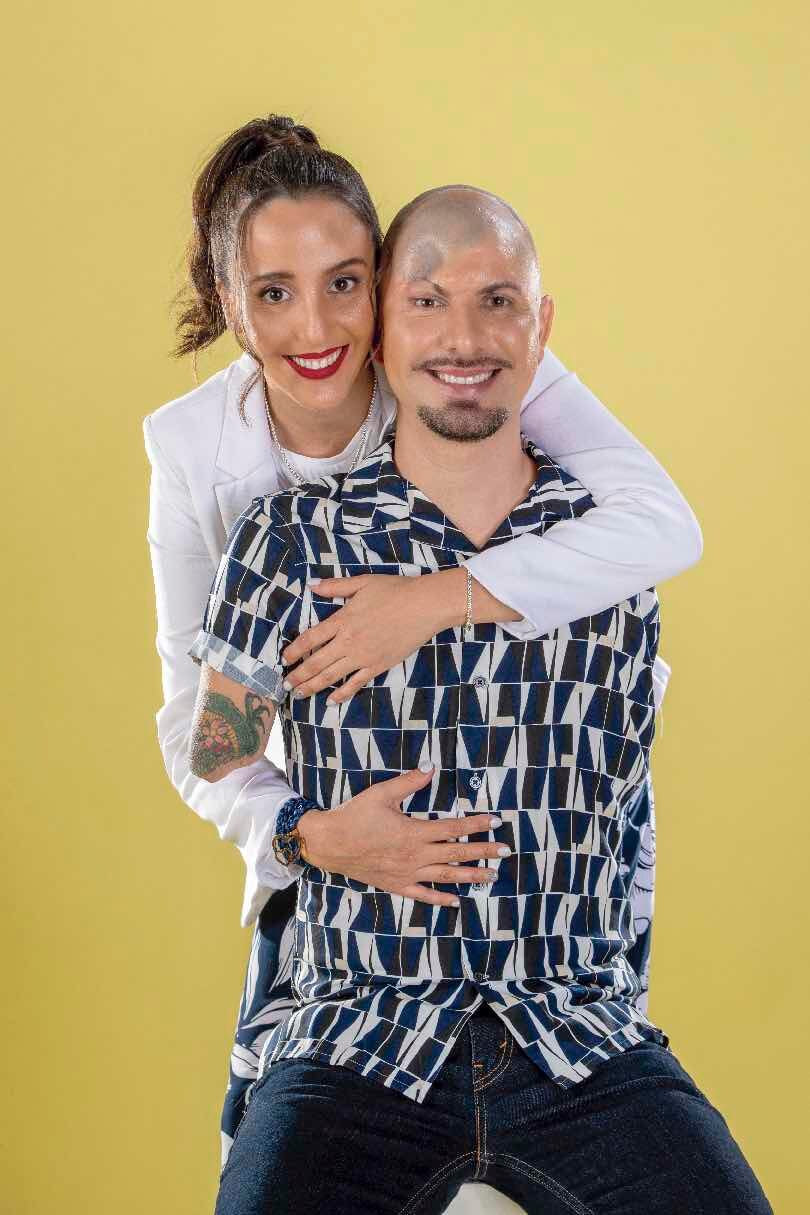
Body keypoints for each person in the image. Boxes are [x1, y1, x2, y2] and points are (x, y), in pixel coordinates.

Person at [187, 184, 771, 1215]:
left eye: (497, 301)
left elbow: (631, 815)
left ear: (540, 326)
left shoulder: (611, 557)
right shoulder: (289, 542)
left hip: (579, 1043)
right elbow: (217, 751)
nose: (464, 337)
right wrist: (309, 834)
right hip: (358, 1034)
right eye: (427, 301)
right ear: (381, 332)